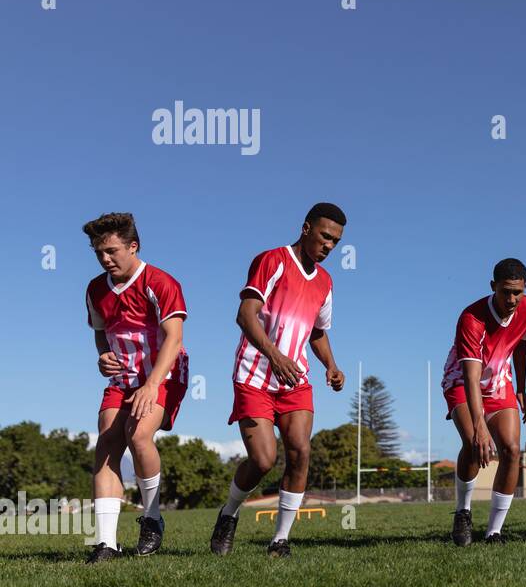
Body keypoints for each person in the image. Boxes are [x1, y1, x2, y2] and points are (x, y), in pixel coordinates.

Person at [210, 203, 347, 557]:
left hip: (294, 380)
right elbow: (245, 314)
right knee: (263, 460)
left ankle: (280, 540)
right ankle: (229, 513)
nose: (329, 246)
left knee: (301, 451)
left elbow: (317, 331)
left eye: (336, 241)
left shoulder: (326, 282)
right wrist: (274, 355)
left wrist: (331, 364)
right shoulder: (271, 260)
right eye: (325, 236)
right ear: (306, 229)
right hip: (254, 375)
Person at [82, 212, 189, 562]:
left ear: (133, 246)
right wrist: (102, 356)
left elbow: (174, 338)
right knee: (107, 441)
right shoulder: (95, 289)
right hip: (123, 377)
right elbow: (101, 332)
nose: (105, 259)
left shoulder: (160, 282)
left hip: (164, 373)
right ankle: (106, 544)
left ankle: (153, 517)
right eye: (99, 252)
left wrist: (151, 385)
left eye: (112, 251)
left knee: (138, 433)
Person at [443, 258, 526, 546]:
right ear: (493, 286)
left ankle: (494, 531)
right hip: (462, 381)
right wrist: (480, 426)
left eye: (517, 292)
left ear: (525, 289)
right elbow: (471, 379)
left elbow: (521, 344)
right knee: (474, 442)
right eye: (505, 291)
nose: (511, 299)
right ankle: (463, 512)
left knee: (510, 449)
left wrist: (521, 388)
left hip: (499, 382)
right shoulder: (471, 318)